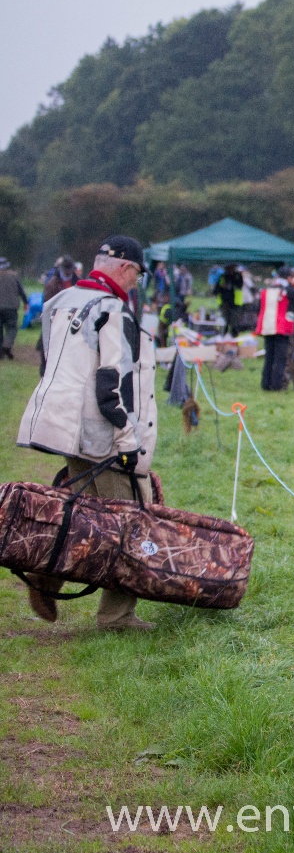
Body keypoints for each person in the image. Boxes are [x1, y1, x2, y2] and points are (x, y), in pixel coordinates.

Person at [16, 236, 158, 630]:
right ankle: (116, 616)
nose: (135, 283)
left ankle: (49, 574)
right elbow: (111, 382)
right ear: (128, 268)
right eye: (136, 275)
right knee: (129, 520)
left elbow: (49, 362)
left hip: (61, 424)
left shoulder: (62, 300)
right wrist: (127, 441)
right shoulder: (113, 310)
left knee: (82, 513)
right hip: (98, 433)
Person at [254, 270, 293, 391]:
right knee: (280, 358)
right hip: (281, 327)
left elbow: (257, 307)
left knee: (269, 357)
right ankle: (276, 385)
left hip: (267, 326)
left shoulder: (266, 289)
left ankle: (265, 383)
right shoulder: (288, 290)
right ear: (289, 277)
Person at [0, 257, 24, 359]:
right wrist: (26, 302)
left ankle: (1, 353)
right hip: (11, 307)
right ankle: (7, 345)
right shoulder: (14, 276)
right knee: (11, 328)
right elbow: (21, 290)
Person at [217, 264, 248, 335]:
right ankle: (224, 336)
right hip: (224, 302)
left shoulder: (237, 276)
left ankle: (234, 337)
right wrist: (222, 287)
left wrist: (232, 280)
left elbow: (239, 285)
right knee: (225, 321)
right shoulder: (223, 276)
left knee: (235, 322)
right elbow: (217, 289)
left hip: (235, 303)